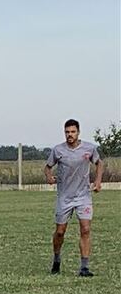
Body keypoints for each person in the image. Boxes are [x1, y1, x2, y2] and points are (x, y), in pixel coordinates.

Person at [44, 119, 103, 277]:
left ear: (78, 132)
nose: (70, 135)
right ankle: (56, 259)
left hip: (83, 196)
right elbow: (48, 167)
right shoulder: (58, 150)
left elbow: (99, 163)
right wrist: (49, 178)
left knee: (85, 229)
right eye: (67, 132)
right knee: (60, 232)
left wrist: (97, 181)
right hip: (64, 197)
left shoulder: (89, 148)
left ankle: (84, 267)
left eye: (73, 132)